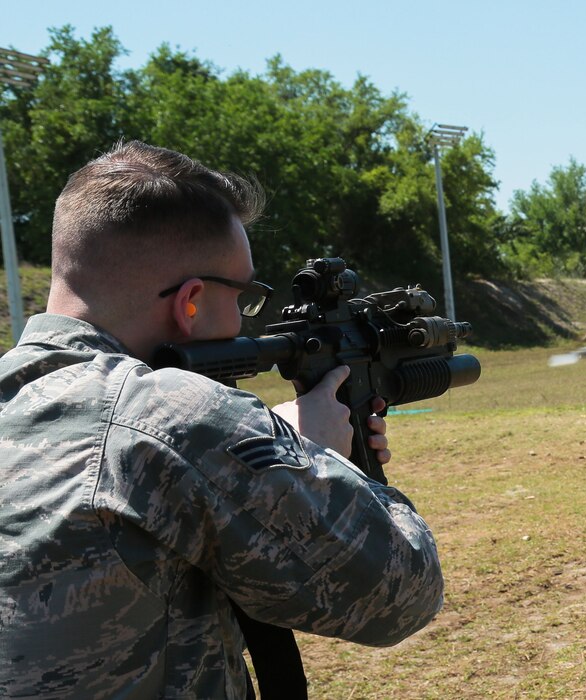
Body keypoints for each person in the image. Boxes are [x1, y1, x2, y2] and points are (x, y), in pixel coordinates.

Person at [0, 141, 444, 698]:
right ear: (189, 302)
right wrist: (317, 457)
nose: (245, 318)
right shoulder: (171, 415)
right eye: (246, 296)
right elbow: (401, 592)